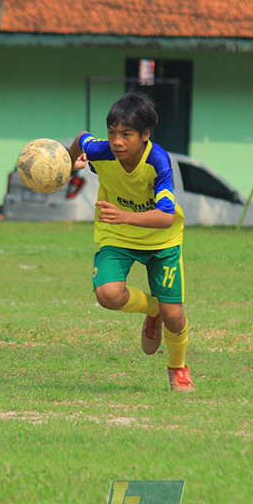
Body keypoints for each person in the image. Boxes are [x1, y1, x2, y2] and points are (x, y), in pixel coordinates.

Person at [67, 92, 195, 392]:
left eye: (126, 134)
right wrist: (69, 161)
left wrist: (124, 215)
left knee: (174, 316)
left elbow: (165, 217)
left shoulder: (158, 162)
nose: (117, 141)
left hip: (161, 239)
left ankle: (178, 367)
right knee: (108, 294)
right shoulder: (101, 151)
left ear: (145, 135)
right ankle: (153, 310)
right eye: (112, 133)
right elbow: (81, 138)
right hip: (118, 235)